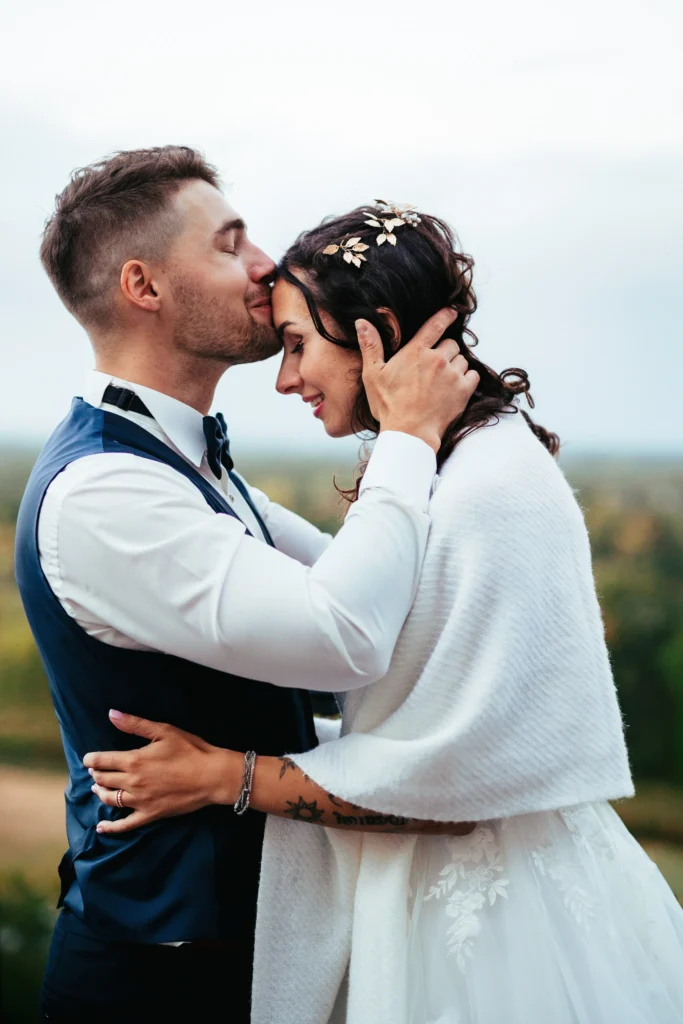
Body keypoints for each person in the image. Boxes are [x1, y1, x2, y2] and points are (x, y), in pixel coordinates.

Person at [88, 202, 683, 1023]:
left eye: (297, 345)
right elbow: (400, 676)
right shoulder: (444, 463)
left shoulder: (489, 488)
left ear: (377, 332)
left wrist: (228, 776)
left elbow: (455, 774)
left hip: (493, 935)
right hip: (419, 901)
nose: (286, 378)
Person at [14, 151, 479, 1024]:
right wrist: (409, 436)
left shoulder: (188, 462)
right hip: (162, 978)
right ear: (143, 285)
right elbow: (344, 635)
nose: (265, 264)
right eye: (230, 244)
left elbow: (391, 598)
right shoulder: (106, 492)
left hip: (254, 950)